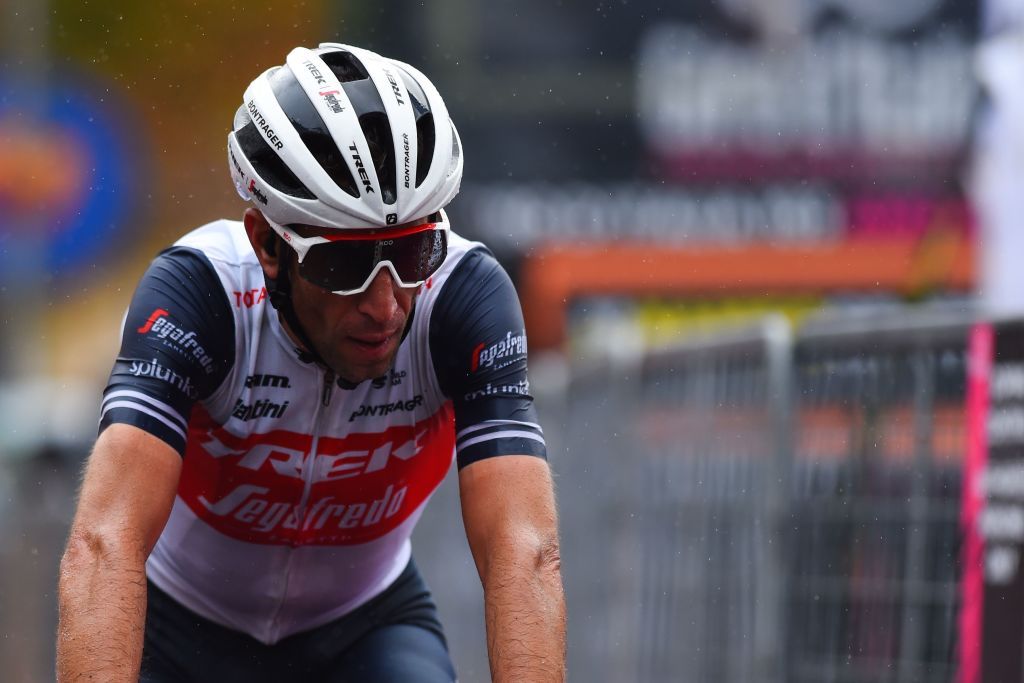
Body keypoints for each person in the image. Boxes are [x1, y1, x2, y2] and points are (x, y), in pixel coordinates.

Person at [56, 42, 565, 682]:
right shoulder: (201, 296)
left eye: (413, 254)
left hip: (365, 627)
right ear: (268, 243)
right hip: (180, 628)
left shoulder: (463, 298)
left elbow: (524, 552)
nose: (385, 306)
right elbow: (107, 543)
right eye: (345, 265)